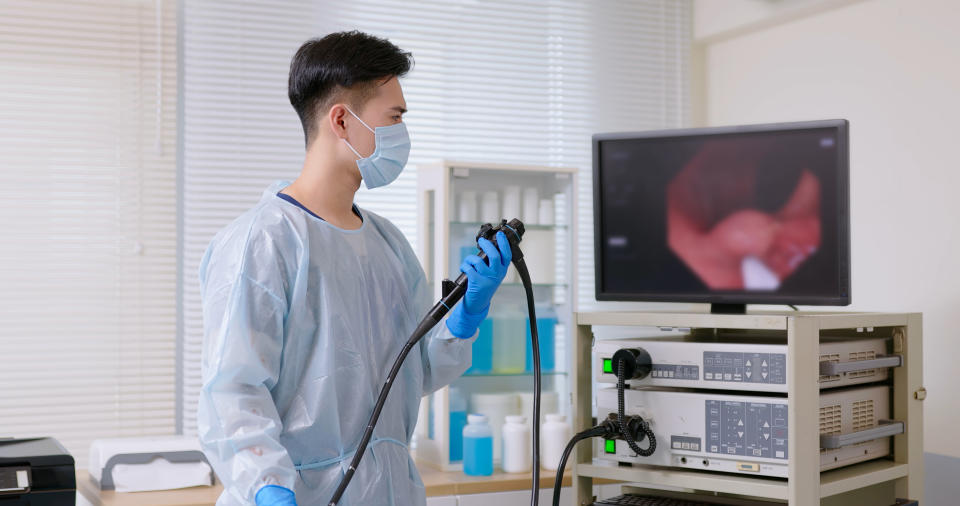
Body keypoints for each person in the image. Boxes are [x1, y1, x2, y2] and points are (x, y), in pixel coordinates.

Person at [197, 31, 512, 506]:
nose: (401, 133)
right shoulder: (261, 243)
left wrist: (466, 315)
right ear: (342, 120)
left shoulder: (387, 244)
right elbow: (233, 393)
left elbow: (410, 374)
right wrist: (268, 487)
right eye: (395, 117)